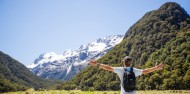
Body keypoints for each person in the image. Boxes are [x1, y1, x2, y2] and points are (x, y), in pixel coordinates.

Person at [90, 56, 164, 94]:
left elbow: (108, 68)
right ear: (130, 63)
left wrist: (97, 64)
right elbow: (145, 71)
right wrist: (156, 68)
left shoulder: (120, 70)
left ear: (124, 62)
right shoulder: (134, 70)